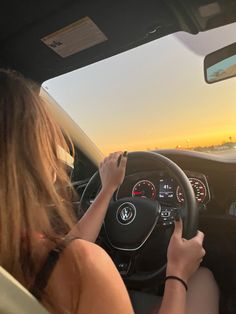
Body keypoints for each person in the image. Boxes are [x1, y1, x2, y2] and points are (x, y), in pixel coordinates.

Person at [0, 69, 219, 313]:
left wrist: (108, 189)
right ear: (33, 161)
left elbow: (63, 251)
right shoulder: (84, 265)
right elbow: (68, 253)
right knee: (203, 279)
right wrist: (177, 272)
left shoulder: (26, 254)